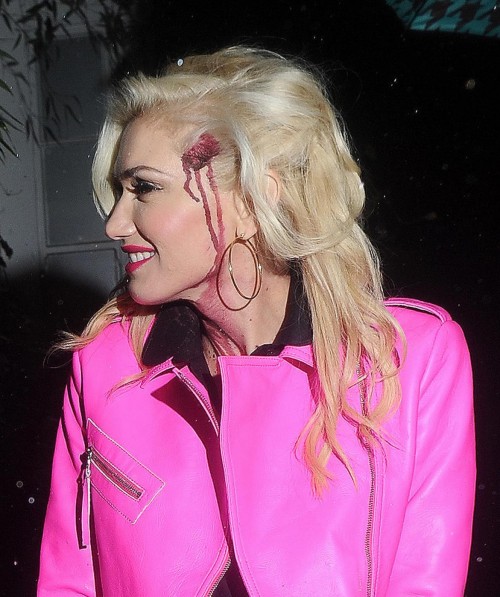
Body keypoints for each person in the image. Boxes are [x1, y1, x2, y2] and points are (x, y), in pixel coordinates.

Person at [37, 46, 475, 596]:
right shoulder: (105, 365)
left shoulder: (407, 360)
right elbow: (68, 582)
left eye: (143, 188)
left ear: (251, 196)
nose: (114, 222)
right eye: (119, 192)